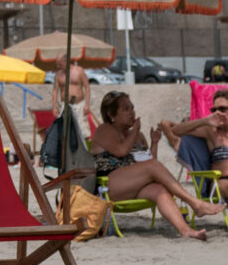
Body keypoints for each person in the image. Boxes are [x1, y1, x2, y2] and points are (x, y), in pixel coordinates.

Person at [91, 91, 224, 240]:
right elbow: (122, 151)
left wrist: (154, 143)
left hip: (132, 185)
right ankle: (195, 203)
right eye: (125, 109)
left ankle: (185, 230)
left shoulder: (139, 137)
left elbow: (149, 163)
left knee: (159, 190)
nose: (132, 112)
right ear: (111, 114)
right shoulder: (105, 129)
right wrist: (134, 131)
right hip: (108, 186)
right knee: (152, 167)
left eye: (132, 108)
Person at [163, 89, 228, 199]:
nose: (217, 113)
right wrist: (204, 121)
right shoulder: (211, 131)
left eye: (222, 109)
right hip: (220, 182)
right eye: (214, 110)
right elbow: (174, 130)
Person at [52, 52, 92, 139]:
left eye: (60, 64)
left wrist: (87, 104)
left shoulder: (79, 71)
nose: (58, 66)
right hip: (65, 105)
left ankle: (85, 149)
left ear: (65, 61)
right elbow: (55, 90)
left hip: (79, 104)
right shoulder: (58, 74)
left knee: (83, 131)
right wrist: (54, 107)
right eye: (57, 64)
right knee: (65, 130)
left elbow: (87, 87)